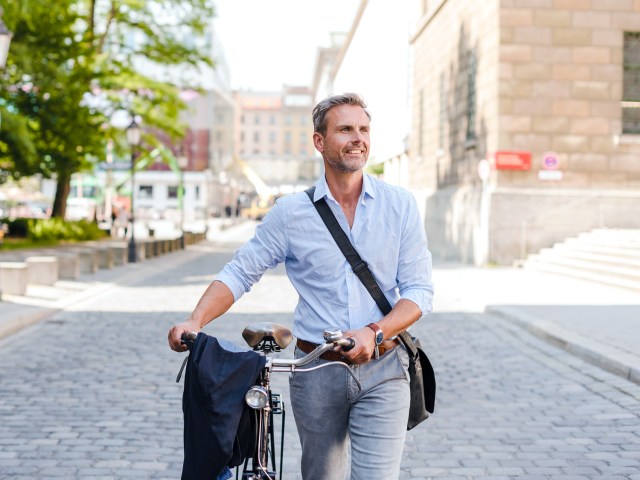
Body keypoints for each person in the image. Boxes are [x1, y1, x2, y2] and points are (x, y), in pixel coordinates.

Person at [168, 92, 434, 479]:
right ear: (319, 141)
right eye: (345, 129)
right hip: (315, 371)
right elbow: (241, 271)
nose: (358, 137)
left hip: (384, 366)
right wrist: (195, 320)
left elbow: (419, 292)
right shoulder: (291, 213)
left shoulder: (399, 205)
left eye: (363, 129)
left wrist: (374, 332)